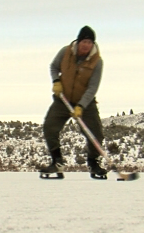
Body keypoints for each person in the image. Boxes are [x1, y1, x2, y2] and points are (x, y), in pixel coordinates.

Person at [40, 25, 108, 179]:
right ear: (78, 41)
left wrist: (81, 105)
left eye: (90, 42)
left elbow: (93, 87)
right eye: (84, 41)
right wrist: (56, 80)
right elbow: (53, 67)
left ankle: (93, 163)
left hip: (86, 102)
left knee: (95, 133)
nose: (86, 45)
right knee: (50, 127)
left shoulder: (97, 61)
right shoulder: (65, 52)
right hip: (62, 100)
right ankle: (57, 162)